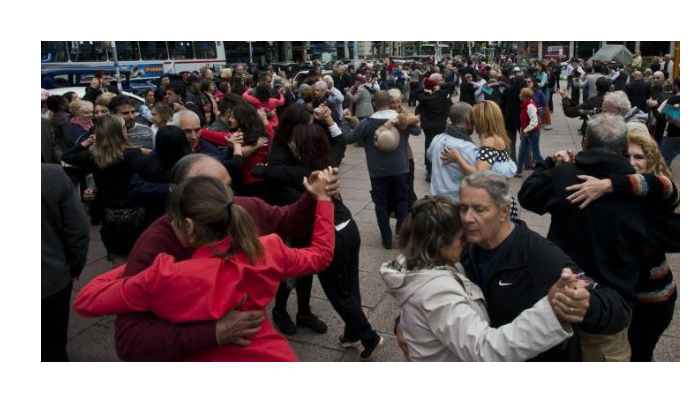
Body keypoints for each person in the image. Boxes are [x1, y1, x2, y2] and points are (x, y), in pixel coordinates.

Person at [74, 171, 336, 362]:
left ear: (188, 227)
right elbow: (321, 255)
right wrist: (322, 199)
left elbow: (86, 300)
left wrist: (135, 267)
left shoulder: (165, 276)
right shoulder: (268, 249)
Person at [518, 113, 680, 361]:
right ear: (623, 147)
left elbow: (527, 195)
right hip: (609, 309)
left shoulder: (565, 177)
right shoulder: (641, 197)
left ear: (585, 143)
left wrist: (550, 161)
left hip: (565, 294)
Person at [381, 194, 585, 361]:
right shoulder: (437, 291)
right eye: (461, 238)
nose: (467, 242)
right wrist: (549, 311)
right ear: (440, 244)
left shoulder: (425, 265)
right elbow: (485, 350)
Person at [564, 129, 679, 361]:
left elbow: (665, 186)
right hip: (619, 297)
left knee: (640, 355)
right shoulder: (616, 196)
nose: (632, 162)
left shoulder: (655, 193)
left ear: (652, 160)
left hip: (651, 298)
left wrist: (610, 183)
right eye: (626, 156)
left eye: (639, 157)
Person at [61, 114, 145, 267]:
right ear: (121, 133)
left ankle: (119, 286)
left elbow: (67, 156)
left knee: (119, 255)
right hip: (136, 211)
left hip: (109, 213)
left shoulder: (94, 156)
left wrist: (88, 141)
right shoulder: (132, 154)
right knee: (139, 253)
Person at [342, 90, 421, 249]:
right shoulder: (400, 120)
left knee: (381, 204)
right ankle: (400, 230)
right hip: (400, 168)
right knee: (402, 200)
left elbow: (348, 138)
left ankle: (386, 239)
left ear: (374, 104)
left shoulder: (366, 123)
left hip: (377, 172)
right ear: (391, 103)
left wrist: (344, 121)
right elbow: (417, 131)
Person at [42, 164, 89, 361]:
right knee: (52, 346)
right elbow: (77, 229)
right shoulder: (51, 175)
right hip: (50, 280)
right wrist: (74, 266)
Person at [515, 86, 543, 177]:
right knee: (522, 150)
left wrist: (525, 130)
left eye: (521, 94)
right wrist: (523, 129)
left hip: (532, 132)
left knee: (536, 153)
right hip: (527, 132)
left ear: (524, 96)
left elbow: (534, 122)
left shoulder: (530, 106)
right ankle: (518, 171)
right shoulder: (525, 104)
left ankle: (545, 169)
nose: (519, 95)